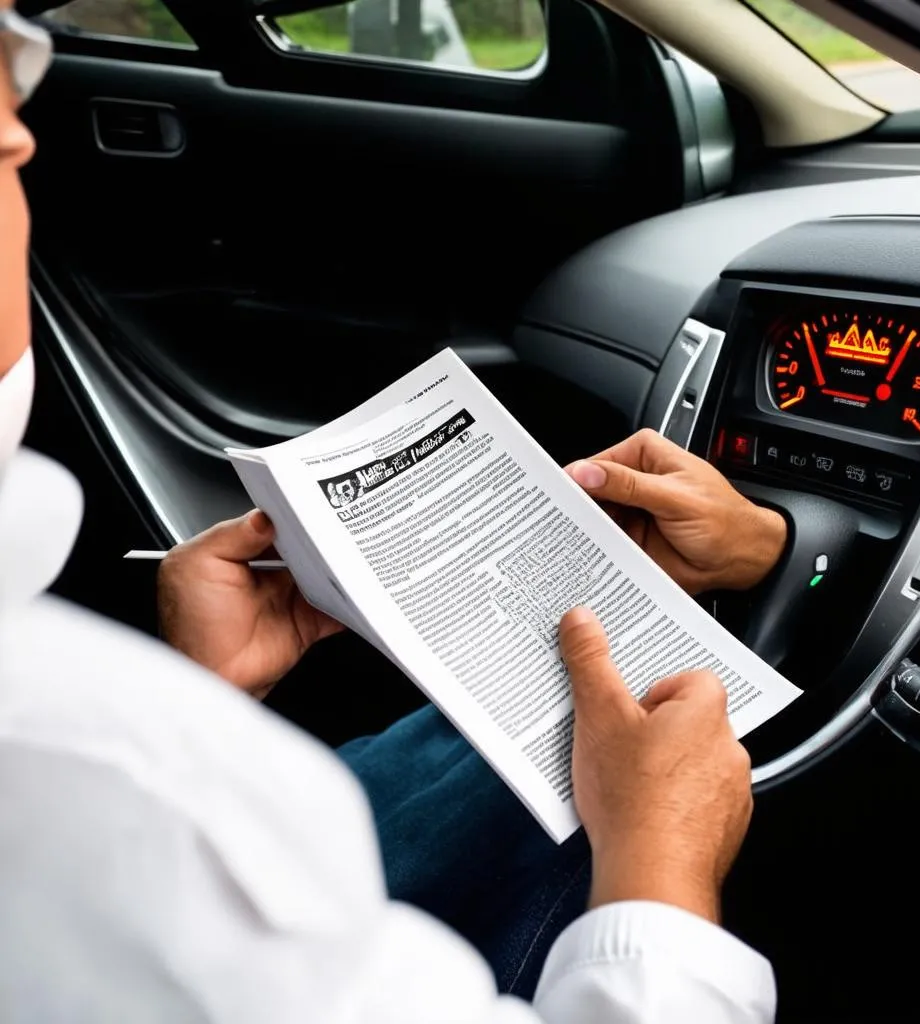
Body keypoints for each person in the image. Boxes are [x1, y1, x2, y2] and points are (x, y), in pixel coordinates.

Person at [0, 7, 787, 1020]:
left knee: (521, 734)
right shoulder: (112, 775)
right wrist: (663, 871)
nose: (24, 122)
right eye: (7, 82)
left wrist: (199, 690)